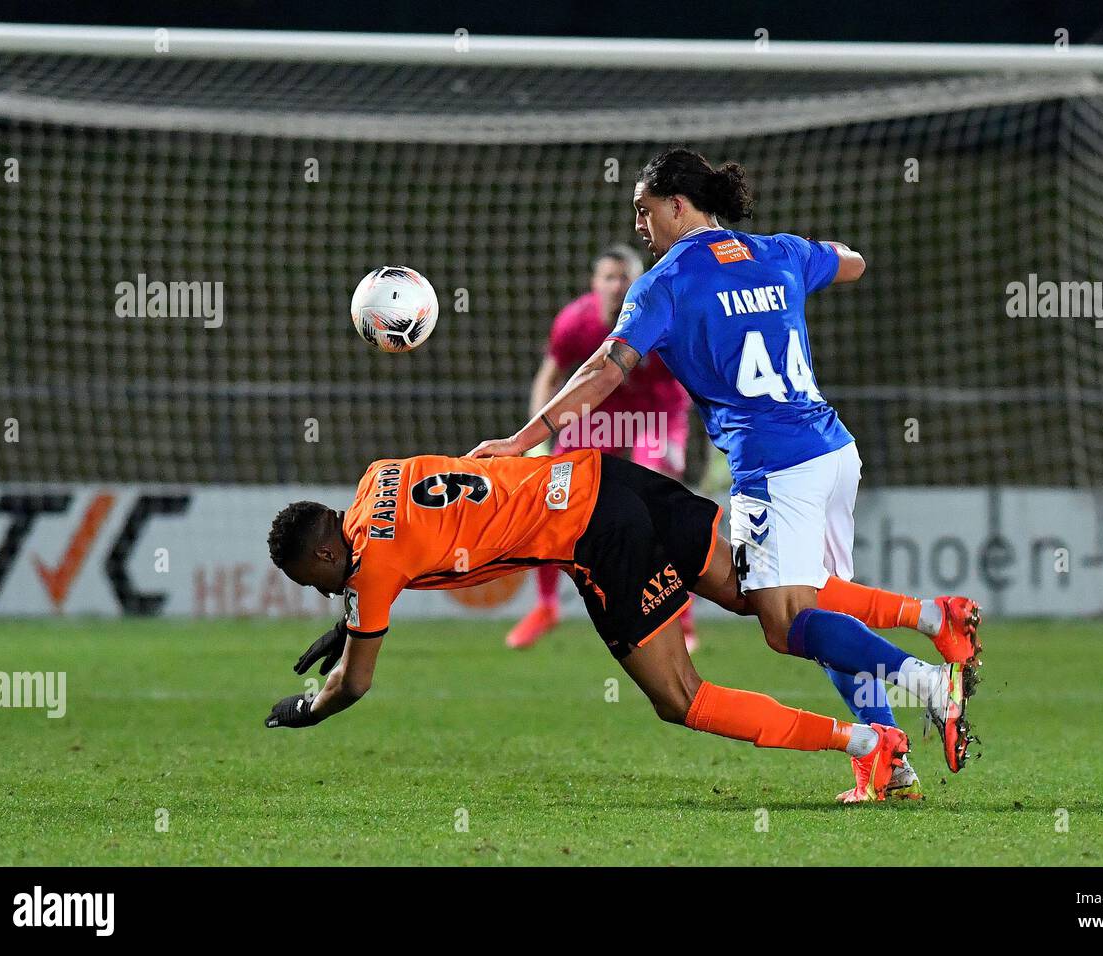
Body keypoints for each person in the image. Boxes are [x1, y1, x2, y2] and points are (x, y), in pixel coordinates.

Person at [466, 148, 981, 802]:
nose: (640, 226)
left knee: (783, 623)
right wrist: (803, 261)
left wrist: (521, 441)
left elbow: (603, 371)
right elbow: (853, 262)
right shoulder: (779, 252)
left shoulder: (666, 284)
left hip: (775, 466)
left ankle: (931, 682)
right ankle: (889, 758)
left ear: (678, 205)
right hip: (831, 451)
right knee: (820, 613)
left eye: (644, 211)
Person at [263, 450, 973, 803]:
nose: (317, 589)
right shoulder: (373, 477)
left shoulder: (369, 575)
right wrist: (346, 617)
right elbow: (400, 541)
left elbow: (352, 685)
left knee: (681, 698)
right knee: (777, 606)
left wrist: (305, 709)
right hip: (610, 477)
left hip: (598, 537)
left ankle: (868, 739)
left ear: (326, 554)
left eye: (311, 579)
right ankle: (933, 620)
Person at [506, 245, 697, 652]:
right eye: (609, 278)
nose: (617, 286)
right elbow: (551, 377)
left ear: (639, 281)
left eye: (625, 277)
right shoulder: (574, 322)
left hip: (657, 412)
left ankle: (682, 615)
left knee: (658, 502)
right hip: (599, 412)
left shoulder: (662, 312)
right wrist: (536, 441)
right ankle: (546, 606)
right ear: (595, 285)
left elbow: (694, 373)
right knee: (556, 500)